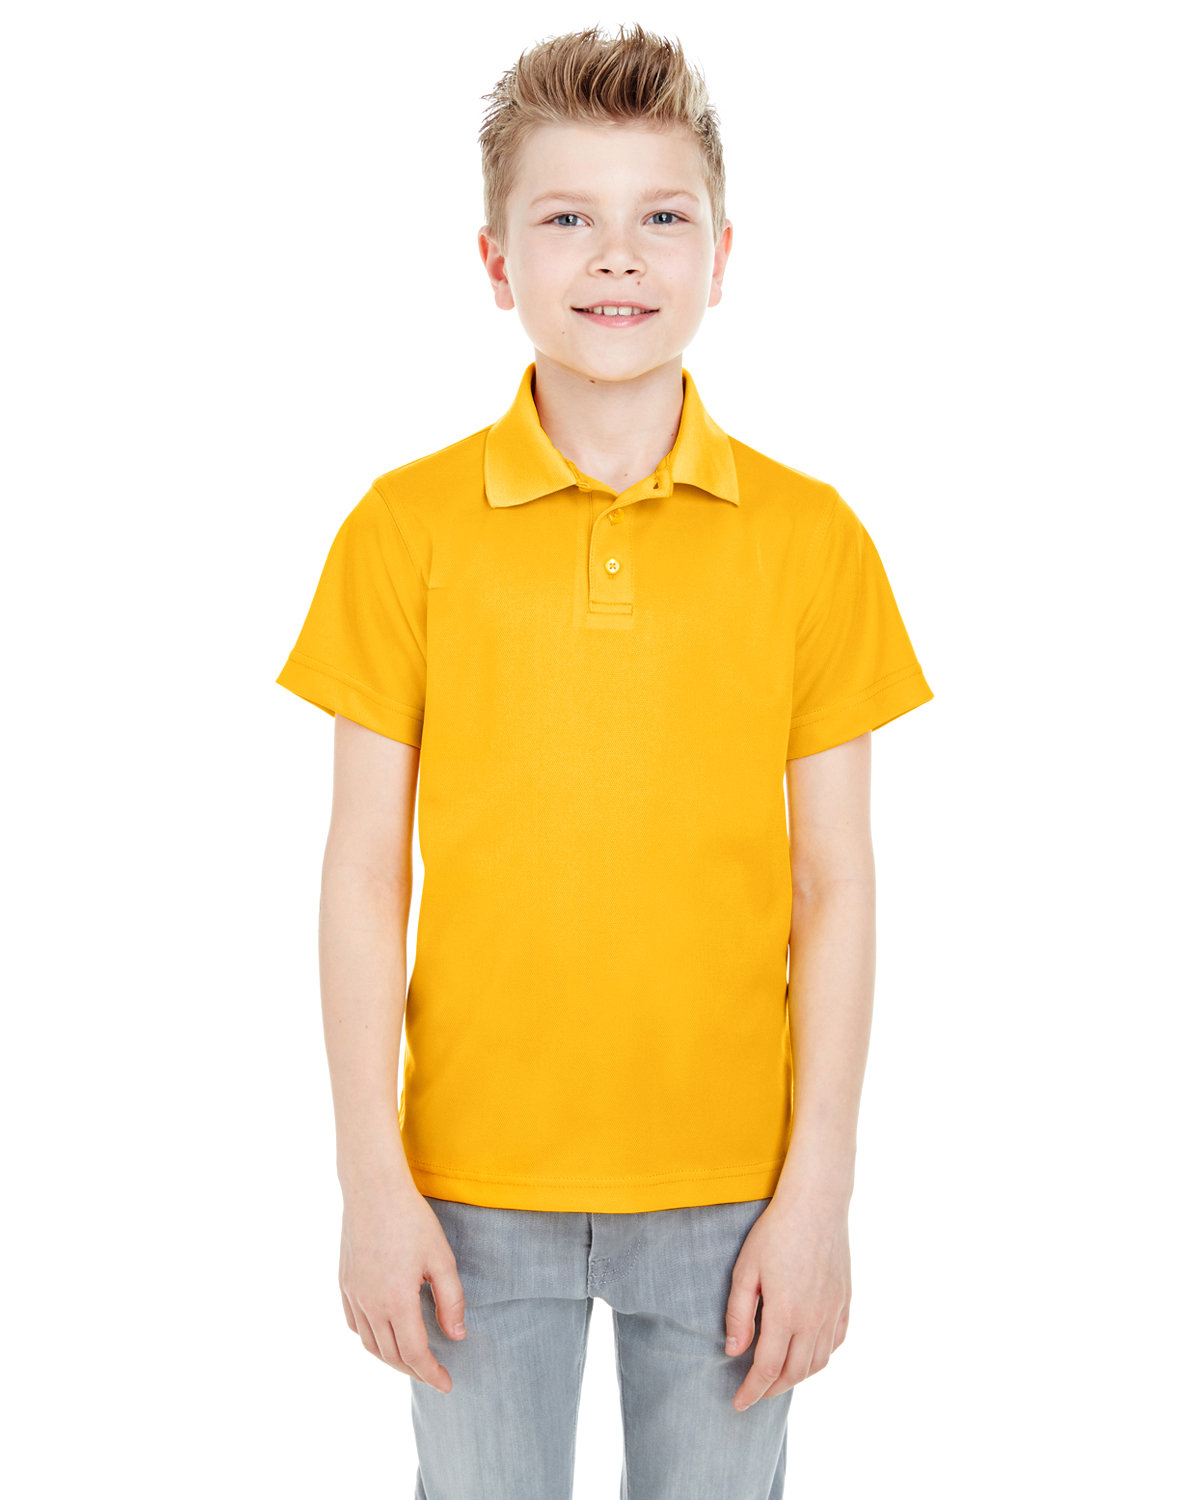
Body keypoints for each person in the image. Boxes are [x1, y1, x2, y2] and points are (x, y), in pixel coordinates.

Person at [275, 22, 934, 1500]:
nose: (618, 256)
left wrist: (820, 1192)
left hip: (733, 1191)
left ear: (722, 255)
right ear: (496, 260)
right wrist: (368, 1177)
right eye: (568, 217)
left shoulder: (813, 540)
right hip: (465, 1190)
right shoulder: (402, 530)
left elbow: (836, 885)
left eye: (663, 217)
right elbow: (363, 873)